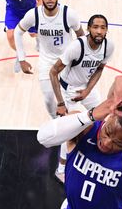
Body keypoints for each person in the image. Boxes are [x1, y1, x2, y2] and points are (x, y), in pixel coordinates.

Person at [48, 14, 114, 182]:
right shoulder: (76, 47)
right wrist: (61, 103)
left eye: (103, 27)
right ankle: (61, 168)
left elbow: (99, 69)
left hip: (86, 89)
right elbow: (53, 72)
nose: (99, 31)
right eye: (95, 27)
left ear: (106, 30)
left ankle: (98, 152)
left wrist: (87, 91)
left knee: (104, 116)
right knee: (69, 130)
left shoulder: (108, 46)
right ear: (89, 29)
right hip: (69, 90)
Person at [14, 0, 85, 116]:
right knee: (48, 98)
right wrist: (22, 59)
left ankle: (72, 126)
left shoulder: (69, 14)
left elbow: (82, 36)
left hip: (66, 62)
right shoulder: (34, 14)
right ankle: (55, 122)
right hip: (46, 61)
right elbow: (18, 32)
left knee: (72, 99)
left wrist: (80, 58)